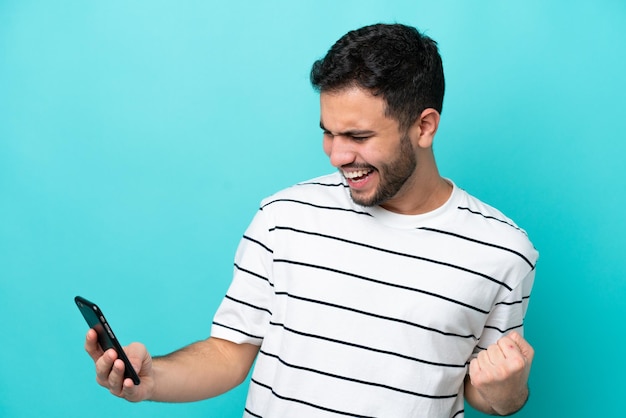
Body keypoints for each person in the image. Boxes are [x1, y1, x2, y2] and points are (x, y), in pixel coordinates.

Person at [85, 23, 538, 417]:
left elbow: (485, 387)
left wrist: (509, 392)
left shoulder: (502, 251)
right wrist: (152, 379)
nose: (339, 156)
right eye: (329, 133)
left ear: (424, 127)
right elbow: (228, 353)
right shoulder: (283, 218)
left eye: (358, 136)